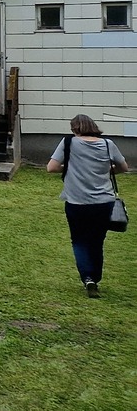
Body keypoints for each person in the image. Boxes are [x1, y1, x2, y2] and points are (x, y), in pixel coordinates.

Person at [48, 114, 128, 297]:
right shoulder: (107, 144)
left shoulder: (68, 142)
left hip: (76, 202)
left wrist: (69, 167)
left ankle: (88, 278)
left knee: (79, 240)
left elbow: (51, 167)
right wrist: (107, 169)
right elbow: (123, 167)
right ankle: (96, 277)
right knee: (97, 241)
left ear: (75, 128)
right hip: (104, 202)